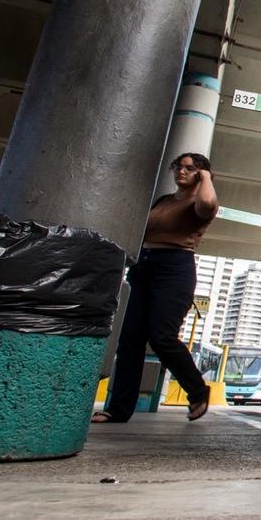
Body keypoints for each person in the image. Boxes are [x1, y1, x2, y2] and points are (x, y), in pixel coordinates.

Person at [94, 153, 220, 423]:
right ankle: (118, 409)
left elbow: (208, 204)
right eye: (178, 166)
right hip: (144, 267)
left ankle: (197, 390)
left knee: (162, 337)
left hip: (174, 269)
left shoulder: (200, 201)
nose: (181, 171)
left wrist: (206, 176)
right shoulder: (164, 201)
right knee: (130, 340)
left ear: (201, 174)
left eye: (190, 168)